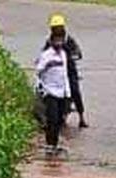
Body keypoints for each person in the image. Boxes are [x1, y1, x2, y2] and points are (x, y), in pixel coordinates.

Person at [45, 15, 88, 129]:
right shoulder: (49, 42)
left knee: (75, 91)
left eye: (59, 27)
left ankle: (81, 117)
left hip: (69, 71)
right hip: (55, 73)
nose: (57, 30)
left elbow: (78, 52)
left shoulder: (69, 40)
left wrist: (73, 56)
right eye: (55, 28)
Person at [36, 24, 72, 156]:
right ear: (52, 40)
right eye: (56, 39)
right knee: (52, 119)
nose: (59, 42)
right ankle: (49, 144)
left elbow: (65, 75)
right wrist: (41, 89)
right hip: (49, 92)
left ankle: (55, 144)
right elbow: (39, 72)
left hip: (62, 92)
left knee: (58, 121)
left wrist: (68, 94)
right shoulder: (46, 55)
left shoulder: (64, 54)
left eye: (61, 39)